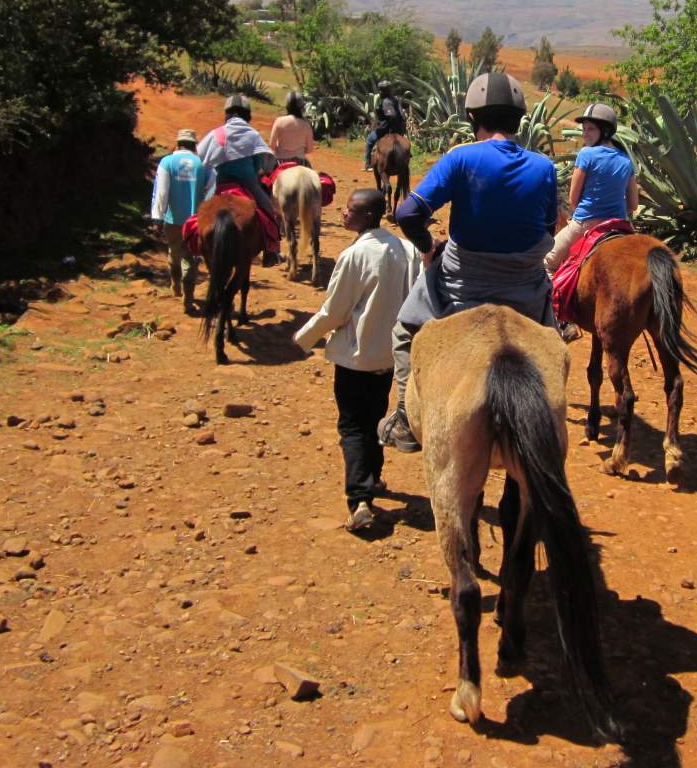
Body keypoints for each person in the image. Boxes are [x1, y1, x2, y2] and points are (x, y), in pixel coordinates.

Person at [378, 71, 559, 452]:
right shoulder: (543, 167)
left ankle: (404, 419)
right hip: (525, 291)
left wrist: (428, 247)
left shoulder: (461, 158)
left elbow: (408, 213)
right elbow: (545, 226)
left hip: (463, 288)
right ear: (519, 120)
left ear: (473, 119)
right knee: (554, 344)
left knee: (403, 330)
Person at [294, 189, 421, 531]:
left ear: (367, 216)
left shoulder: (354, 255)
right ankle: (374, 478)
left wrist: (303, 339)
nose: (344, 215)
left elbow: (334, 311)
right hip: (390, 356)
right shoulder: (408, 250)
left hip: (355, 356)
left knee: (352, 426)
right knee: (376, 416)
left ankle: (359, 500)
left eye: (350, 210)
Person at [544, 101, 639, 273]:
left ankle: (551, 300)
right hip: (620, 226)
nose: (584, 133)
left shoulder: (586, 154)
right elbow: (633, 205)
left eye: (590, 129)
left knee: (547, 261)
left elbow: (573, 200)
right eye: (584, 128)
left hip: (586, 224)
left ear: (605, 131)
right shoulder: (626, 160)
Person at [197, 94, 281, 268]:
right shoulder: (252, 134)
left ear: (227, 113)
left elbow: (201, 158)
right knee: (270, 211)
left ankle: (194, 244)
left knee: (200, 210)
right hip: (248, 182)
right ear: (247, 115)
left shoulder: (217, 133)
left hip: (221, 182)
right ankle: (271, 250)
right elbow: (262, 159)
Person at [150, 128, 212, 310]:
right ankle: (188, 297)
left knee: (174, 252)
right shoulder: (201, 164)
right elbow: (209, 190)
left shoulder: (167, 162)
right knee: (191, 258)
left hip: (172, 219)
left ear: (177, 144)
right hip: (195, 221)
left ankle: (175, 284)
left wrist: (157, 218)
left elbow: (161, 192)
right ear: (194, 146)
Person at [363, 80, 407, 170]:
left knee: (369, 141)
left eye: (382, 90)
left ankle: (368, 164)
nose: (380, 92)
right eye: (380, 90)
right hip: (399, 130)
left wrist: (388, 128)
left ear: (387, 91)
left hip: (385, 129)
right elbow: (402, 115)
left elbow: (391, 115)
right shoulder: (395, 100)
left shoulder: (387, 102)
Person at [270, 90, 316, 166]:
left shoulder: (279, 121)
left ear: (287, 106)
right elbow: (310, 149)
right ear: (301, 106)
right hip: (301, 162)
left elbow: (272, 145)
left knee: (266, 176)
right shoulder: (306, 124)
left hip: (281, 161)